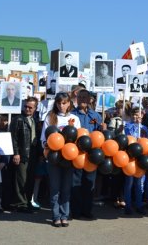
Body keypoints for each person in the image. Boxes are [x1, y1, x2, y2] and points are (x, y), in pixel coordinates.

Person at [41, 92, 81, 227]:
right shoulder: (50, 118)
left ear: (69, 103)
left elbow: (79, 138)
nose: (61, 105)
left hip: (69, 158)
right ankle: (56, 216)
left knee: (65, 188)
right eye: (58, 103)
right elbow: (43, 138)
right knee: (55, 188)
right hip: (54, 158)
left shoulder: (75, 118)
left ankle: (65, 215)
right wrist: (48, 145)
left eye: (64, 103)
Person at [71, 90, 103, 220]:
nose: (83, 99)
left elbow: (99, 132)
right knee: (76, 183)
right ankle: (76, 210)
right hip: (77, 154)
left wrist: (102, 129)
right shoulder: (72, 115)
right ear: (76, 99)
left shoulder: (95, 116)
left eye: (85, 97)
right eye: (80, 97)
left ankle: (87, 210)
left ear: (90, 99)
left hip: (92, 155)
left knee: (89, 183)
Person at [10, 97, 40, 213]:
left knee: (30, 180)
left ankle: (28, 202)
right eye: (26, 106)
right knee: (21, 180)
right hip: (22, 154)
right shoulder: (17, 119)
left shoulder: (35, 120)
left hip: (33, 153)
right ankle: (21, 204)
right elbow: (13, 138)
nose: (27, 109)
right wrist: (16, 153)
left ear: (35, 108)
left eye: (30, 107)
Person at [123, 107, 148, 215]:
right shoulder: (127, 126)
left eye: (139, 115)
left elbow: (147, 140)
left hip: (141, 158)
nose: (136, 117)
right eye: (134, 114)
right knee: (129, 183)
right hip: (130, 157)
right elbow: (127, 136)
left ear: (142, 116)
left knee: (139, 183)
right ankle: (128, 205)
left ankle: (139, 204)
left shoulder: (144, 128)